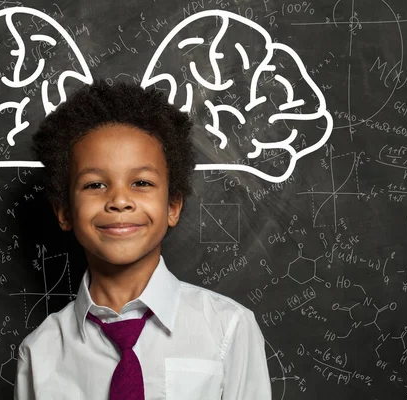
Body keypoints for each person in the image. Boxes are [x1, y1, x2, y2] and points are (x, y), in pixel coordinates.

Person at [14, 80, 272, 399]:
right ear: (64, 212)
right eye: (94, 185)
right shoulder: (40, 352)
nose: (120, 200)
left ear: (173, 207)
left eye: (141, 182)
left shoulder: (228, 328)